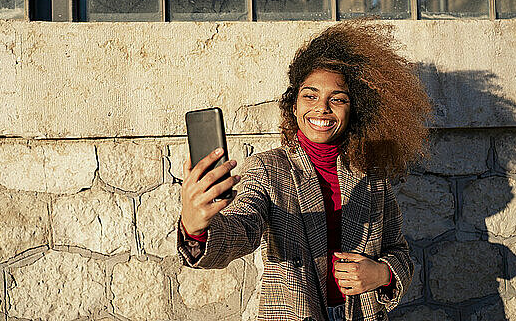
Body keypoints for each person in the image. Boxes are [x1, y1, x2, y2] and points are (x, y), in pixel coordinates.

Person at [177, 21, 431, 321]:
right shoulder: (269, 169)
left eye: (337, 99)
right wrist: (196, 228)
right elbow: (243, 229)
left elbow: (399, 251)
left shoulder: (372, 175)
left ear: (354, 110)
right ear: (294, 106)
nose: (322, 108)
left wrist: (382, 273)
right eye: (310, 96)